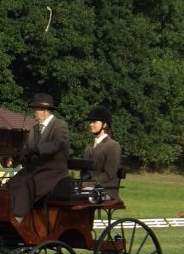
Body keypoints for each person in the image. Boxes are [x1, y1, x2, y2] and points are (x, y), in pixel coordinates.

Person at [7, 93, 70, 223]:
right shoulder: (34, 129)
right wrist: (20, 156)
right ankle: (5, 215)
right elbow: (28, 150)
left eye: (35, 109)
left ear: (45, 110)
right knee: (11, 183)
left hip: (53, 172)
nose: (33, 112)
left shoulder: (60, 125)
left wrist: (37, 149)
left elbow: (57, 143)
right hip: (35, 170)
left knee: (27, 185)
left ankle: (18, 218)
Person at [81, 105, 121, 200]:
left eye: (94, 122)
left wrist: (89, 184)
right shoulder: (88, 147)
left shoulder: (113, 145)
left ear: (105, 124)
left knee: (81, 197)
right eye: (90, 122)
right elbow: (84, 172)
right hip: (89, 187)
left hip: (106, 189)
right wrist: (82, 183)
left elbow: (108, 174)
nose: (91, 124)